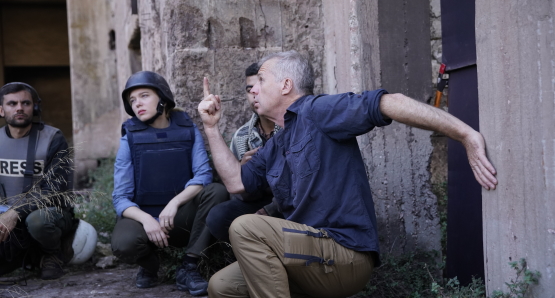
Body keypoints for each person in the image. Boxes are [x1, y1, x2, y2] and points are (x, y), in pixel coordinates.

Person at [198, 50, 498, 298]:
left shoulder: (317, 110)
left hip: (344, 253)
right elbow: (236, 183)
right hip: (308, 254)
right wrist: (211, 128)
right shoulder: (276, 144)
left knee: (245, 227)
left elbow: (388, 102)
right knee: (222, 287)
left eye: (261, 80)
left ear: (286, 85)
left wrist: (465, 135)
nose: (252, 88)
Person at [110, 71, 228, 296]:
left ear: (162, 98)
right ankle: (151, 265)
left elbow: (203, 176)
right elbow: (120, 197)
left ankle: (189, 266)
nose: (137, 104)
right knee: (123, 244)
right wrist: (147, 220)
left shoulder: (187, 129)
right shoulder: (130, 137)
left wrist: (174, 203)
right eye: (132, 100)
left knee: (217, 191)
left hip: (180, 217)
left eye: (144, 96)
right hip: (144, 219)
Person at [0, 82, 76, 280]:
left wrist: (15, 212)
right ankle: (26, 256)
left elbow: (55, 190)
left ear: (34, 107)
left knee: (38, 222)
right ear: (1, 109)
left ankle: (53, 253)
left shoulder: (53, 138)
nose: (19, 108)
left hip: (47, 214)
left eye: (25, 103)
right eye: (12, 103)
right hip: (6, 217)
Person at [206, 63, 282, 242]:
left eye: (261, 86)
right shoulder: (242, 136)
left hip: (292, 204)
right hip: (259, 203)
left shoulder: (290, 126)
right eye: (249, 89)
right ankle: (250, 257)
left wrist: (270, 210)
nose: (255, 93)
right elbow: (239, 195)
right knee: (219, 217)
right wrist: (242, 173)